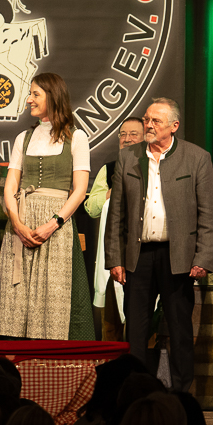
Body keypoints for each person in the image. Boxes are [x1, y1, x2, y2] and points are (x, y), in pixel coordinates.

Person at [104, 98, 213, 391]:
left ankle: (180, 394)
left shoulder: (197, 158)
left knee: (180, 330)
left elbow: (208, 213)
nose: (149, 125)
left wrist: (203, 258)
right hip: (138, 256)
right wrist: (114, 258)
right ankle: (136, 392)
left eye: (156, 121)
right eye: (146, 119)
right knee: (136, 331)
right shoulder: (128, 157)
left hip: (178, 257)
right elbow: (116, 213)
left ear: (174, 126)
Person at [0, 72, 94, 340]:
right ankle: (15, 356)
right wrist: (17, 224)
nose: (29, 99)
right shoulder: (23, 138)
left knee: (53, 296)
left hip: (56, 226)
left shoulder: (76, 138)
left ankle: (51, 357)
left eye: (35, 94)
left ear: (53, 96)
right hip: (22, 221)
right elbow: (10, 187)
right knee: (16, 298)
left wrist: (53, 223)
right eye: (30, 94)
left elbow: (79, 190)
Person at [84, 117, 145, 343]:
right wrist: (113, 191)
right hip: (113, 259)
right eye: (123, 134)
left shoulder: (154, 167)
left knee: (143, 321)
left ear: (146, 138)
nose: (127, 139)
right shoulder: (109, 168)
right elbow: (91, 208)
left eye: (133, 134)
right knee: (111, 325)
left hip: (142, 257)